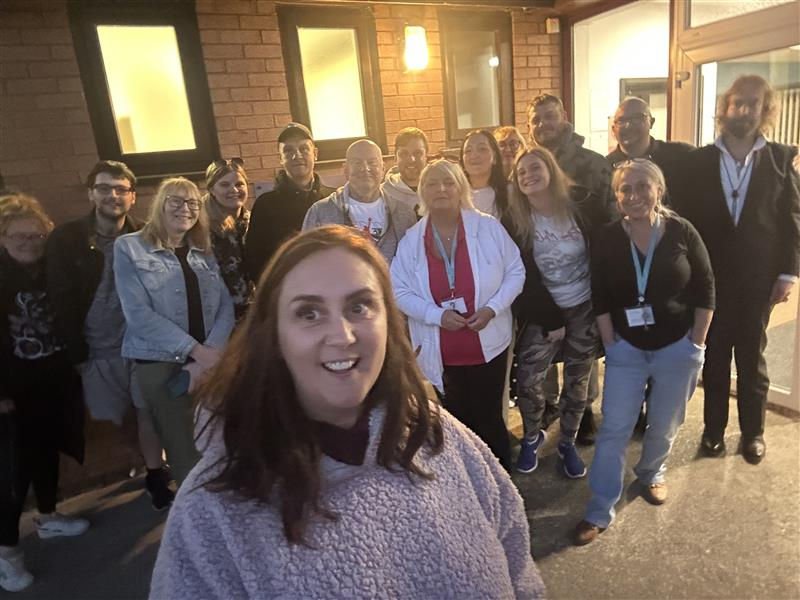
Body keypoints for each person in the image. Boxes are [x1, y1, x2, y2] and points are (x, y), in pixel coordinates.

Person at [150, 225, 545, 599]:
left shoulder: (438, 435)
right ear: (273, 336)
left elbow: (517, 561)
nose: (342, 335)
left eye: (360, 306)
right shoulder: (212, 511)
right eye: (309, 313)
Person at [574, 159, 715, 545]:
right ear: (617, 196)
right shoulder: (606, 237)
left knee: (665, 422)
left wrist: (696, 344)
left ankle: (652, 472)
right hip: (626, 350)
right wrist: (610, 343)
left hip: (677, 347)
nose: (633, 195)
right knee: (615, 428)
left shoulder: (681, 231)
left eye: (641, 186)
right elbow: (599, 294)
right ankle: (600, 507)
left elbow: (706, 288)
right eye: (625, 189)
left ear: (658, 189)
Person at [673, 75, 800, 464]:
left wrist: (787, 274)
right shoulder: (698, 161)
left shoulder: (780, 158)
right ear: (725, 107)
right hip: (710, 281)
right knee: (713, 358)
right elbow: (683, 221)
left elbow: (792, 218)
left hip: (759, 280)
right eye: (737, 102)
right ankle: (713, 432)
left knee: (751, 358)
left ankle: (753, 433)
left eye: (752, 104)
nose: (743, 110)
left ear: (765, 111)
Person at [45, 160, 173, 511]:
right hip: (96, 348)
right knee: (116, 415)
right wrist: (76, 352)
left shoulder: (145, 236)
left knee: (148, 410)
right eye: (104, 188)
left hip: (141, 344)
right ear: (91, 194)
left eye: (120, 189)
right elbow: (59, 296)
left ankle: (155, 472)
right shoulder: (68, 239)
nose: (112, 196)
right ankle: (147, 461)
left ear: (132, 196)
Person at [391, 159, 525, 469]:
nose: (441, 189)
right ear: (422, 191)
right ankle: (470, 487)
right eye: (432, 183)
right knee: (457, 427)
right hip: (443, 351)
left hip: (488, 344)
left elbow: (516, 271)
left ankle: (503, 484)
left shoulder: (488, 227)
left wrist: (492, 309)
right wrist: (435, 315)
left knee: (491, 420)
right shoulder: (413, 240)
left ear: (461, 188)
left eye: (449, 182)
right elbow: (397, 290)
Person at [114, 177, 235, 486]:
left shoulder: (202, 249)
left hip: (208, 361)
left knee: (219, 440)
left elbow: (224, 306)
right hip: (162, 362)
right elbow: (138, 315)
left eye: (193, 203)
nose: (186, 209)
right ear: (160, 205)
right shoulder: (129, 247)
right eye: (177, 202)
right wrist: (197, 353)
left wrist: (209, 355)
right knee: (184, 451)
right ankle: (194, 518)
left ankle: (222, 510)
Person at [502, 147, 610, 477]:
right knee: (527, 380)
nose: (528, 175)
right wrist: (550, 318)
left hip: (584, 307)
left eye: (535, 167)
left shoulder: (583, 205)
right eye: (521, 172)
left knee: (578, 382)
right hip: (542, 310)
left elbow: (604, 254)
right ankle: (533, 435)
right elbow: (520, 274)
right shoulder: (514, 219)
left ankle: (567, 441)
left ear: (550, 169)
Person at [0, 194, 88, 592]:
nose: (28, 242)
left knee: (46, 450)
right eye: (17, 235)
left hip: (51, 378)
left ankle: (49, 515)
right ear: (2, 236)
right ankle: (6, 553)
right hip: (10, 388)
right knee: (10, 470)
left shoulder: (52, 269)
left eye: (36, 234)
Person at [527, 94, 613, 444]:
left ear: (564, 116)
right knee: (545, 341)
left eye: (549, 116)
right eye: (535, 119)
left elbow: (609, 219)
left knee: (583, 348)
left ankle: (584, 408)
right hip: (543, 276)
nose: (542, 124)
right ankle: (549, 404)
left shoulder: (593, 164)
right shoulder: (527, 165)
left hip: (583, 275)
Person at [245, 123, 335, 282]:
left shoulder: (333, 199)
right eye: (288, 150)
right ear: (280, 158)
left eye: (303, 148)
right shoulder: (266, 206)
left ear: (315, 153)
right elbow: (255, 262)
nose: (297, 155)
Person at [303, 139, 416, 263]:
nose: (365, 168)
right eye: (357, 163)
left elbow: (414, 265)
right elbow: (305, 264)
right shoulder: (320, 213)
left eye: (372, 162)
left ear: (383, 169)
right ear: (345, 170)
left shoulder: (404, 215)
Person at [607, 97, 694, 207]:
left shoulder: (682, 156)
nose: (628, 125)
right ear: (614, 129)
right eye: (621, 120)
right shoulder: (603, 168)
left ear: (651, 122)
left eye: (637, 118)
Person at [203, 157, 255, 321]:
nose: (234, 190)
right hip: (219, 319)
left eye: (239, 184)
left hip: (254, 314)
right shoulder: (202, 228)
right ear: (212, 189)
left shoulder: (253, 221)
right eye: (224, 185)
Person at [460, 129, 509, 218]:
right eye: (468, 151)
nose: (474, 155)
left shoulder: (510, 193)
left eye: (482, 149)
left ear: (495, 157)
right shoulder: (456, 195)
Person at [382, 127, 429, 215]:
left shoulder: (439, 190)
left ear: (426, 156)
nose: (411, 159)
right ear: (395, 158)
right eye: (404, 153)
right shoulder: (383, 194)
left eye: (417, 153)